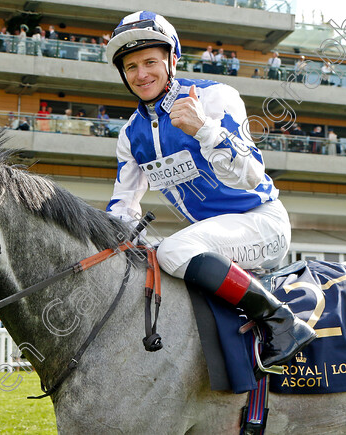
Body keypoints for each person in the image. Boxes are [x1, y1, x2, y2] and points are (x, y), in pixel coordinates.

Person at [104, 11, 315, 372]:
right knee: (148, 256)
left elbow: (252, 175)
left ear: (173, 60)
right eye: (131, 67)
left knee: (173, 249)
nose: (141, 75)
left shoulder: (215, 96)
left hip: (260, 222)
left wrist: (204, 129)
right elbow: (123, 205)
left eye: (150, 62)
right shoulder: (129, 135)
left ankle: (281, 322)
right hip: (209, 240)